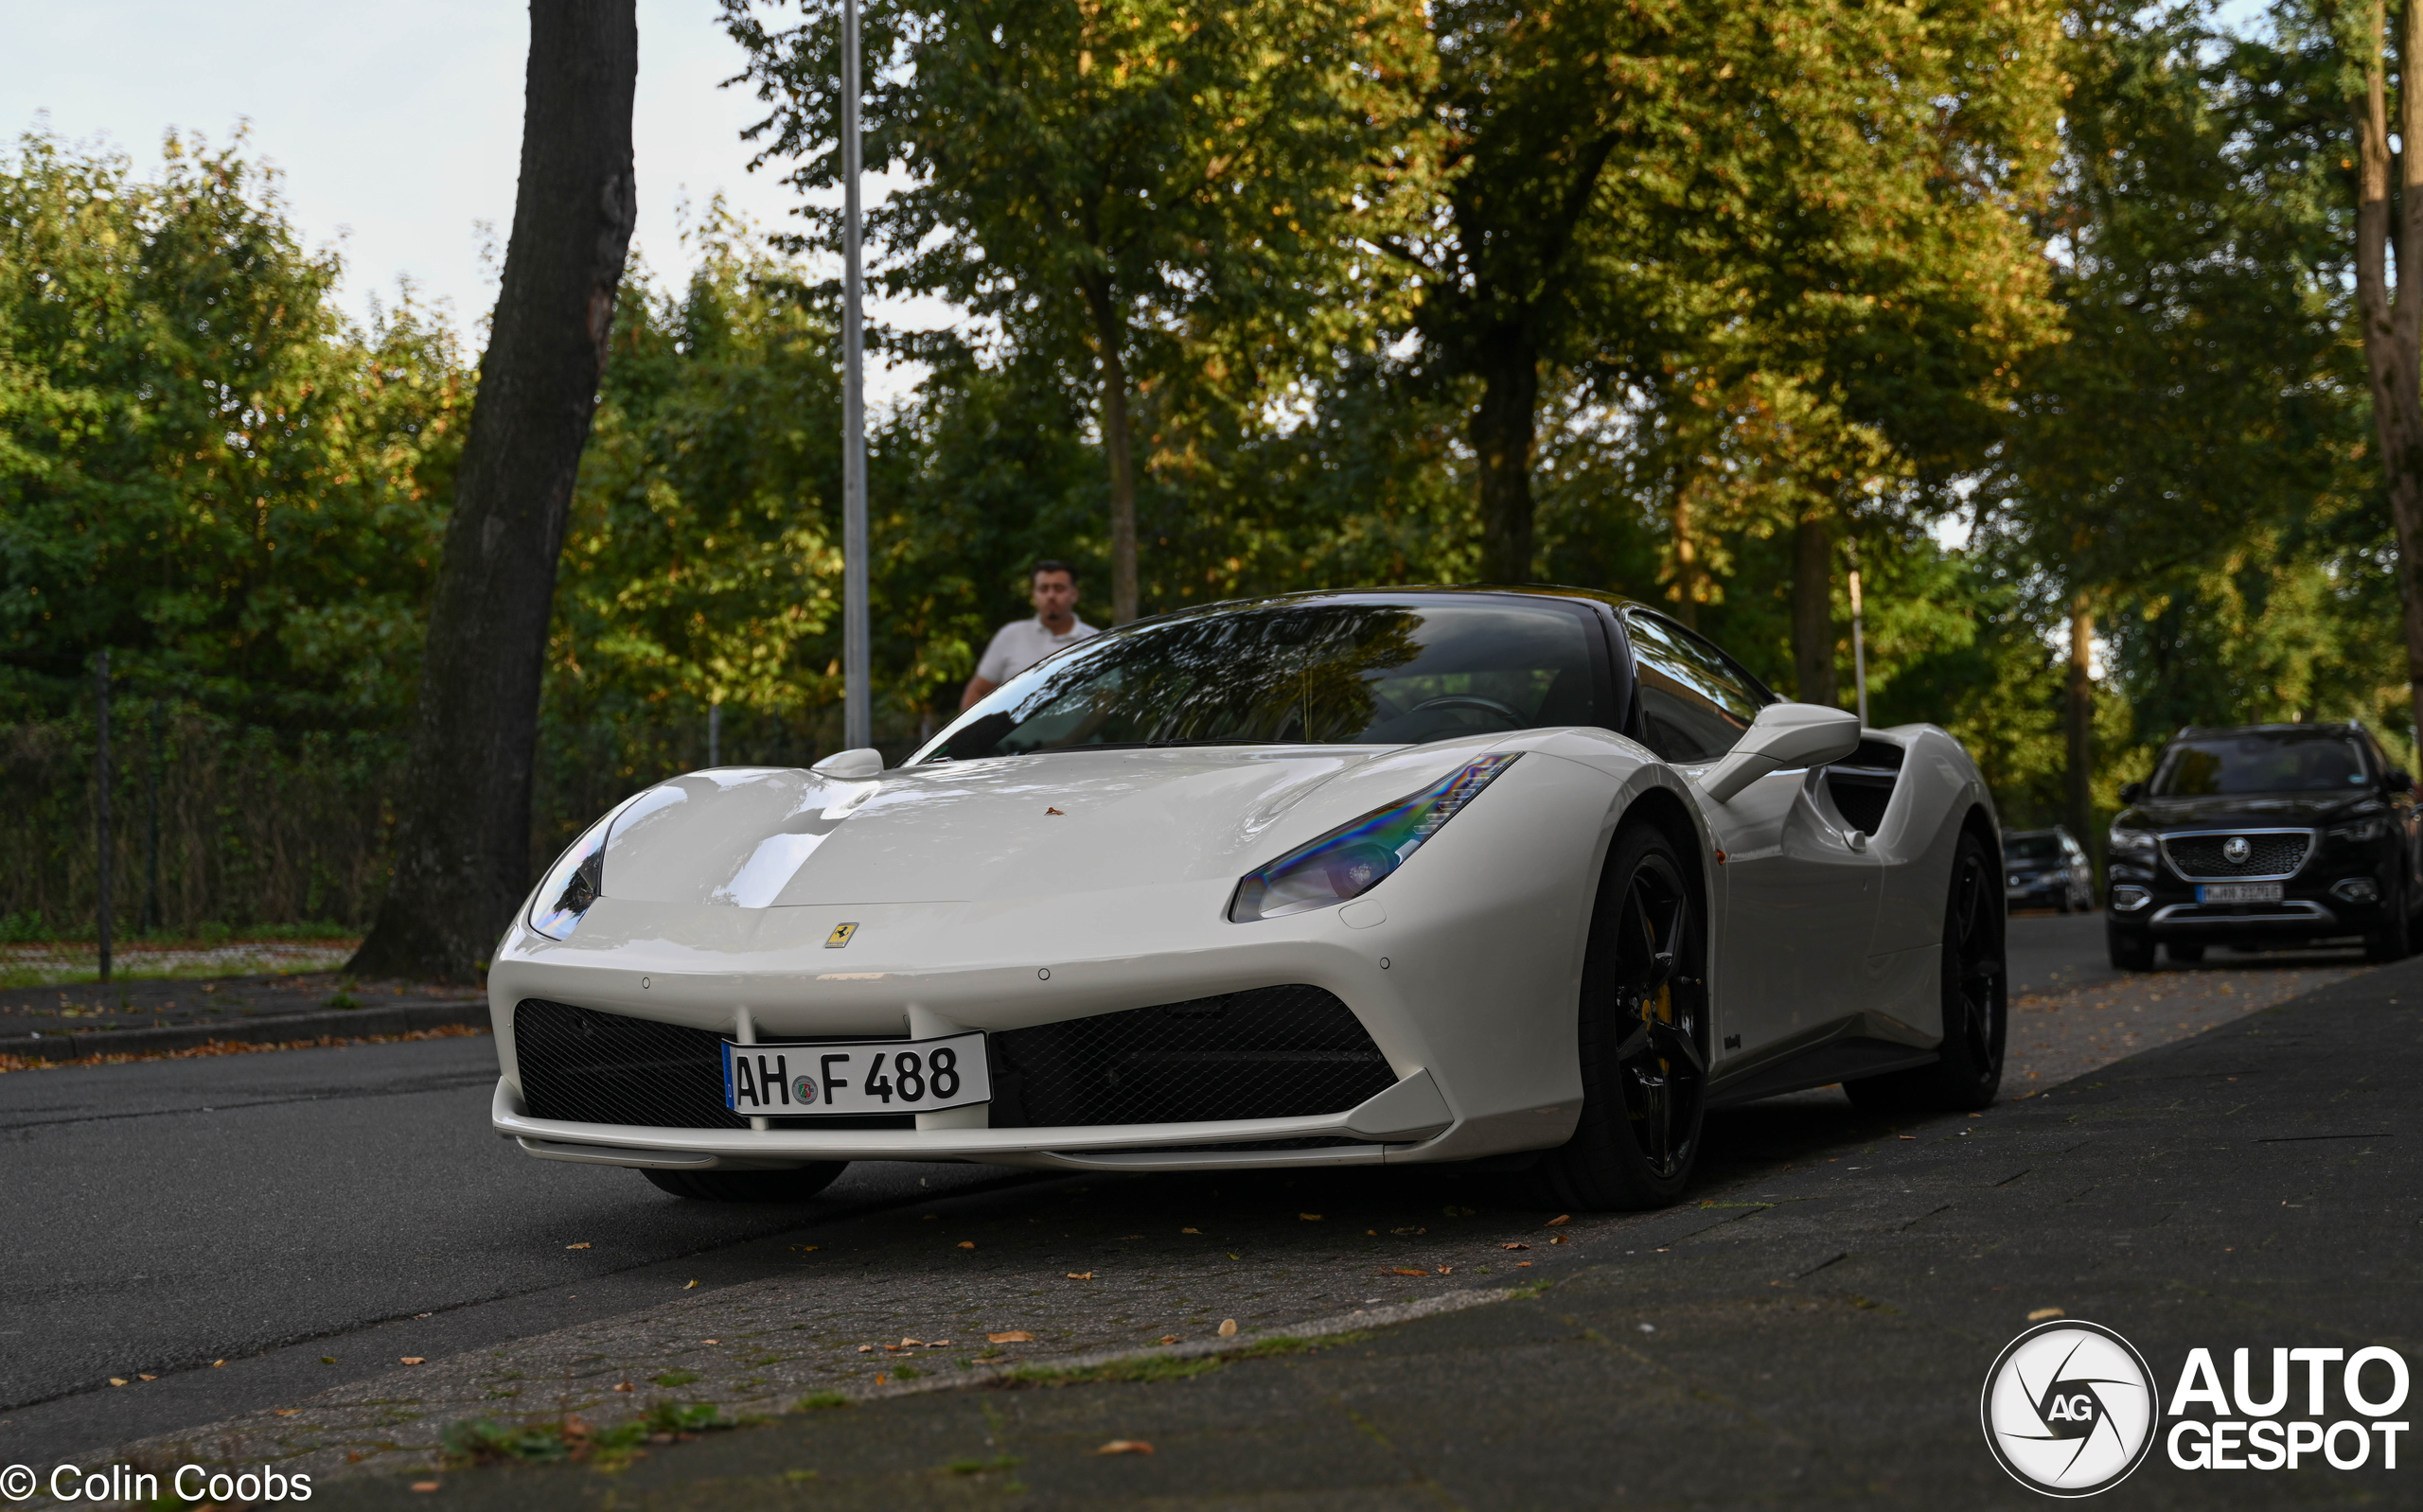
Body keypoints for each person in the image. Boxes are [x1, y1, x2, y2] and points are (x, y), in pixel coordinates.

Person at [960, 560, 1096, 711]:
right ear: (1034, 595)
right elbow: (977, 691)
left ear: (1074, 594)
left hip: (1081, 735)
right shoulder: (1010, 635)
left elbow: (1106, 700)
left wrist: (1078, 734)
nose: (1051, 595)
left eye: (1059, 588)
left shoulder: (1094, 641)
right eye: (1044, 589)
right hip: (1012, 735)